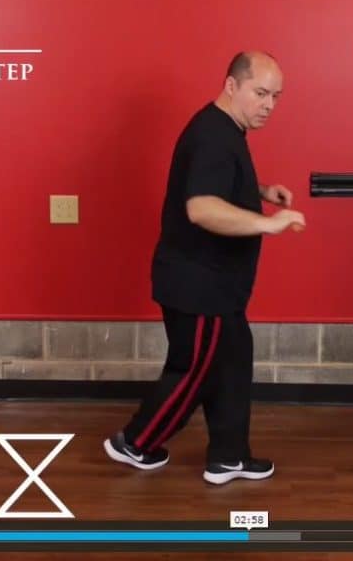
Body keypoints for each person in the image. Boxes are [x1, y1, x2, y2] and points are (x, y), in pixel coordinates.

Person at [104, 51, 305, 485]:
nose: (269, 105)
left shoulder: (224, 129)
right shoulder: (213, 135)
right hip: (199, 285)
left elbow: (215, 182)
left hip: (215, 284)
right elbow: (201, 207)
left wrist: (260, 190)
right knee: (194, 371)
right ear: (232, 85)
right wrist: (268, 224)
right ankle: (135, 442)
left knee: (233, 360)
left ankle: (229, 457)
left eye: (276, 96)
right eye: (260, 93)